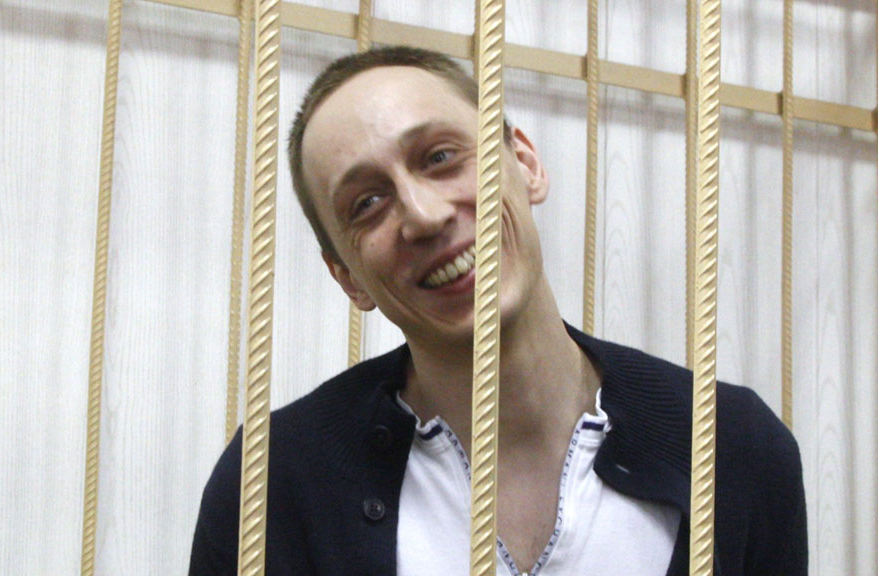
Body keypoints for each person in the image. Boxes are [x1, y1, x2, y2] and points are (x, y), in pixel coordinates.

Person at [189, 46, 807, 575]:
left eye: (439, 157)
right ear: (348, 278)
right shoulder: (271, 481)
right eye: (367, 203)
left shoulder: (732, 443)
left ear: (526, 164)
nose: (424, 215)